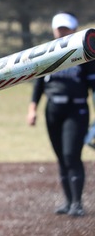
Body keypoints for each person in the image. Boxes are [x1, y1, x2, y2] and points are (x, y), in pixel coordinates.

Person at [27, 12, 95, 217]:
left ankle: (77, 203)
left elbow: (94, 86)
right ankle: (68, 202)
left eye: (66, 29)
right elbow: (39, 84)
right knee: (60, 157)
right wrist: (32, 109)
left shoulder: (85, 54)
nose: (62, 32)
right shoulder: (47, 54)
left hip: (77, 110)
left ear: (74, 30)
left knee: (71, 155)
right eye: (59, 29)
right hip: (53, 110)